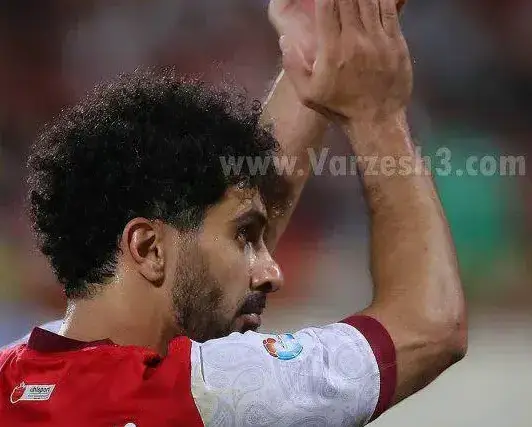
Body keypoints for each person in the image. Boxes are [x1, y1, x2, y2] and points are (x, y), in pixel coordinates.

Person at [0, 0, 467, 425]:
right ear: (148, 248)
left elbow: (214, 225)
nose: (272, 273)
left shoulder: (12, 378)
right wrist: (376, 115)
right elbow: (430, 326)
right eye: (244, 237)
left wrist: (316, 54)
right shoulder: (196, 391)